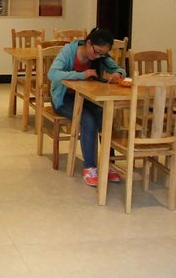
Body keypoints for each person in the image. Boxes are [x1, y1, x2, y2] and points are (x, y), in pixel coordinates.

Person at [48, 27, 126, 187]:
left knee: (105, 115)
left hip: (87, 97)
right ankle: (90, 167)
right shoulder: (69, 51)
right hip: (63, 98)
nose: (98, 56)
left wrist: (118, 74)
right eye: (97, 52)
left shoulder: (100, 56)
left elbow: (118, 69)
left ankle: (107, 163)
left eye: (102, 54)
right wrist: (81, 75)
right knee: (88, 120)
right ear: (88, 43)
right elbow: (53, 74)